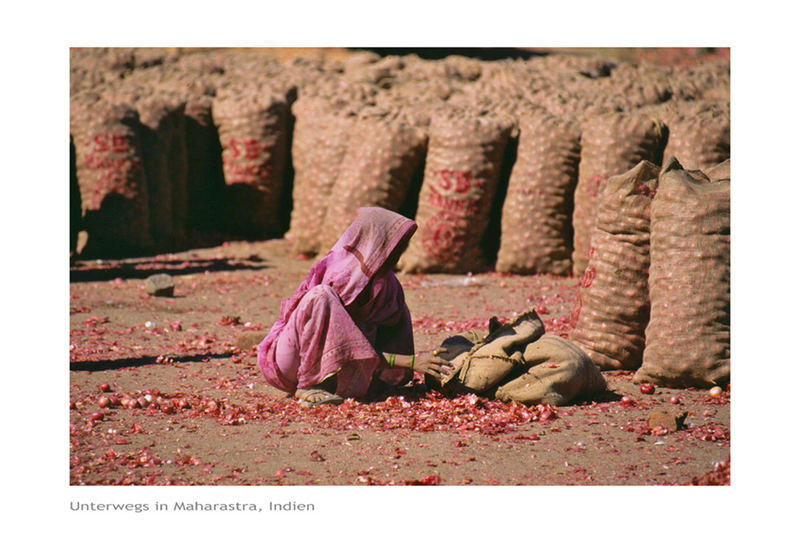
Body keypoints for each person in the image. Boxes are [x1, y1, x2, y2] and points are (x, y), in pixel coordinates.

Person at [257, 207, 454, 407]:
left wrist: (407, 367)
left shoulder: (389, 289)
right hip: (294, 363)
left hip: (344, 371)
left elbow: (365, 350)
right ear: (374, 242)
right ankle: (309, 386)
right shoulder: (339, 274)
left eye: (402, 245)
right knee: (320, 296)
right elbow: (351, 345)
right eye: (394, 245)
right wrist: (411, 362)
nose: (399, 252)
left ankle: (334, 385)